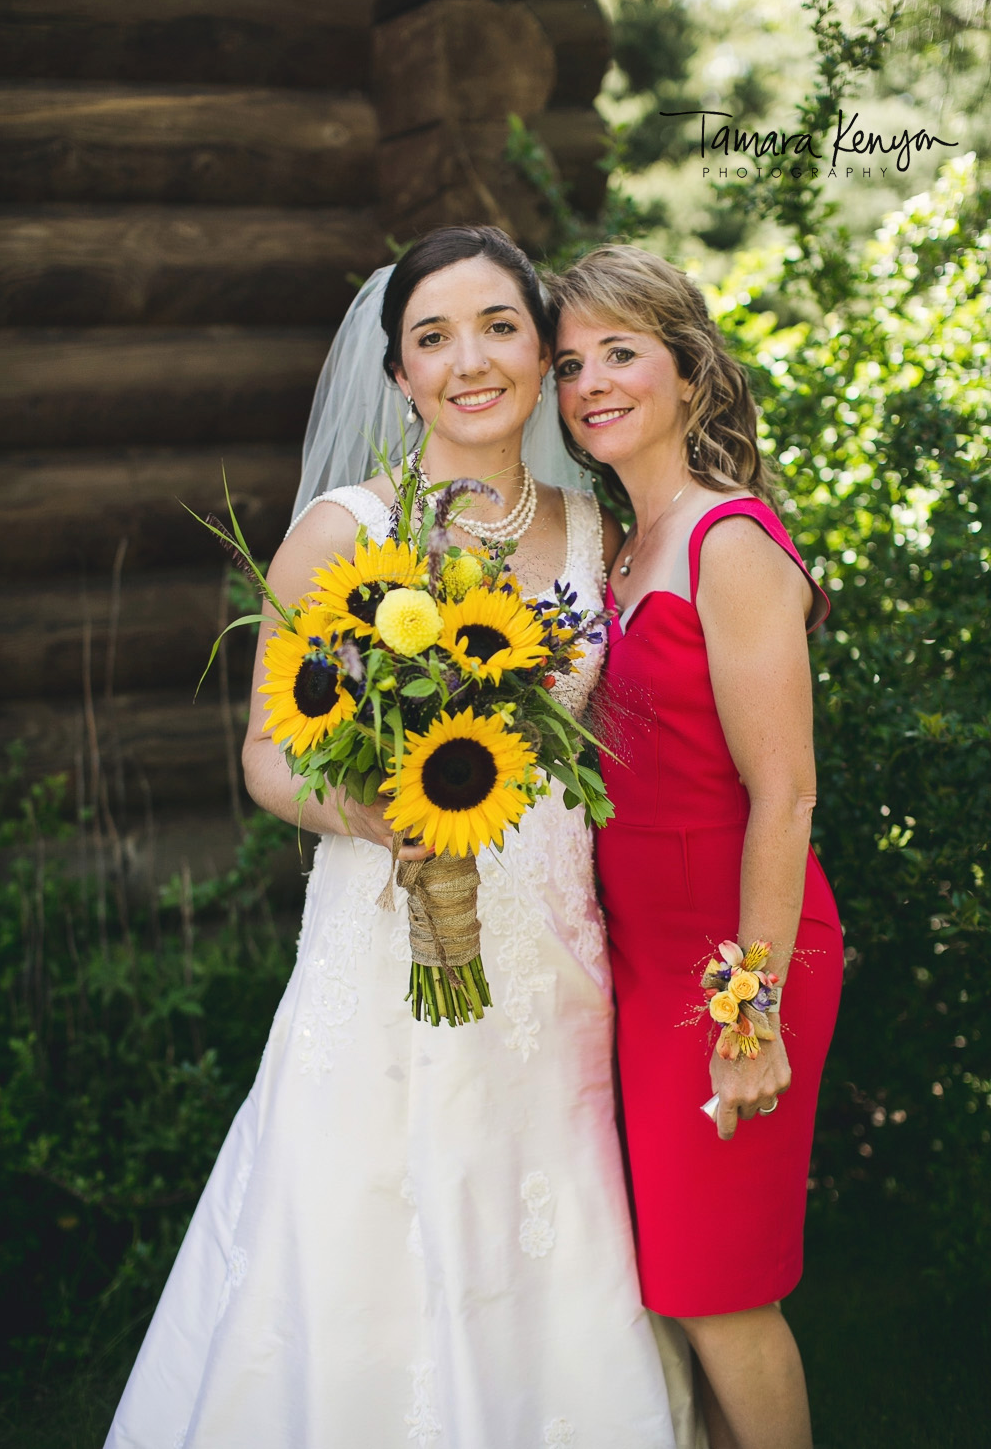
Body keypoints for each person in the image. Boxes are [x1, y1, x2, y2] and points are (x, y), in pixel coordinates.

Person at [103, 226, 681, 1448]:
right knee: (365, 1225)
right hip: (382, 955)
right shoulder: (342, 529)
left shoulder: (594, 533)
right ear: (400, 372)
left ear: (540, 349)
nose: (468, 360)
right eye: (433, 338)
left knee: (546, 1229)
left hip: (556, 966)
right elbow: (267, 755)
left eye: (498, 327)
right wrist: (367, 810)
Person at [550, 245, 844, 1449]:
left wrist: (750, 1011)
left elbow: (784, 797)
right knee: (672, 1294)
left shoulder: (727, 541)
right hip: (637, 964)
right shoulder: (613, 549)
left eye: (621, 352)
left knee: (720, 1295)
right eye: (570, 363)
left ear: (688, 371)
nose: (590, 382)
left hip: (735, 962)